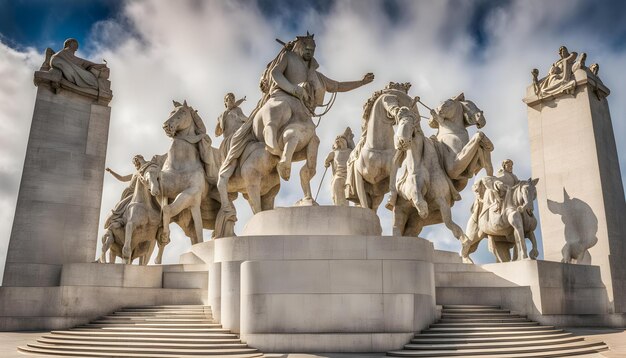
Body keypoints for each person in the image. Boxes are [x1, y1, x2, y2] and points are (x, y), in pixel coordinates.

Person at [324, 127, 355, 206]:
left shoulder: (350, 152)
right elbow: (326, 160)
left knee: (346, 198)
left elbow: (357, 158)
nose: (340, 141)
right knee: (338, 197)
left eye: (342, 140)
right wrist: (327, 163)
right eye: (338, 141)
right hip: (338, 176)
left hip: (348, 177)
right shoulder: (334, 152)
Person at [215, 93, 247, 158]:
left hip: (241, 134)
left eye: (232, 98)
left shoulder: (237, 109)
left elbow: (245, 118)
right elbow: (217, 133)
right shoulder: (221, 116)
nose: (230, 100)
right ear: (225, 102)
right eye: (228, 99)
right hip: (229, 140)